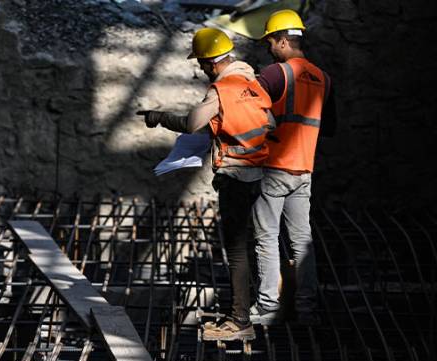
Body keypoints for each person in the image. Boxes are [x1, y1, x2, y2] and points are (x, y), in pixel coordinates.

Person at [140, 28, 275, 342]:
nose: (201, 69)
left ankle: (240, 321)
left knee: (237, 251)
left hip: (236, 177)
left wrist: (158, 117)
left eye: (201, 64)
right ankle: (258, 309)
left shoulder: (221, 88)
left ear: (210, 63)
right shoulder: (251, 81)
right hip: (259, 173)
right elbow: (270, 124)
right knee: (258, 244)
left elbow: (191, 123)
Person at [250, 9, 336, 326]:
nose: (270, 48)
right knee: (302, 241)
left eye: (272, 42)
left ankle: (269, 308)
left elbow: (246, 111)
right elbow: (328, 128)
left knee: (267, 238)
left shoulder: (276, 74)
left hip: (273, 168)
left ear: (284, 40)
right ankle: (307, 309)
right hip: (303, 172)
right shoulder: (324, 79)